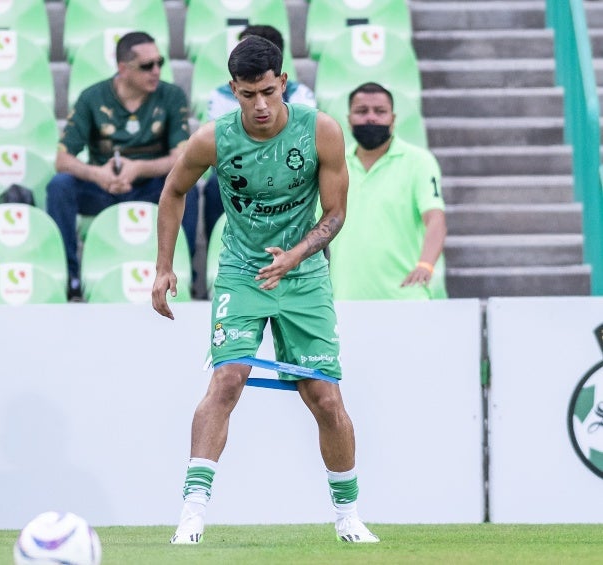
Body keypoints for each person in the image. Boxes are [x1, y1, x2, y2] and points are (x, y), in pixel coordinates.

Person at [151, 35, 380, 545]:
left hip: (303, 275)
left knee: (323, 395)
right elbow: (173, 192)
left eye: (268, 93)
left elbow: (336, 213)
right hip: (242, 272)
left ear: (283, 83)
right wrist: (164, 266)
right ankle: (192, 514)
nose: (259, 105)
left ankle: (348, 516)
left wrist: (297, 254)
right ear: (233, 89)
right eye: (248, 95)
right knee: (227, 381)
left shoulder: (320, 130)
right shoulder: (213, 139)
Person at [47, 31, 198, 300]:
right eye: (146, 65)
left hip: (152, 188)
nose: (156, 71)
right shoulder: (92, 98)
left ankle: (181, 272)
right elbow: (62, 159)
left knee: (189, 186)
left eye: (159, 62)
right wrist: (98, 174)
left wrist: (139, 168)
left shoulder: (171, 95)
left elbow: (182, 157)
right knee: (60, 186)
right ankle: (70, 277)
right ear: (122, 68)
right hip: (104, 188)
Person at [327, 82, 447, 300]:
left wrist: (426, 265)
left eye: (380, 111)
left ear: (393, 119)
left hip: (407, 299)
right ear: (348, 119)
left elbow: (436, 219)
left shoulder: (419, 162)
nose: (370, 118)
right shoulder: (335, 164)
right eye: (362, 111)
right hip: (344, 299)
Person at [203, 24, 317, 246]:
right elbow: (220, 150)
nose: (260, 105)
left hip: (291, 170)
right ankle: (216, 248)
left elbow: (306, 144)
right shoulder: (219, 95)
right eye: (248, 94)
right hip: (239, 170)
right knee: (214, 184)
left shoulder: (302, 95)